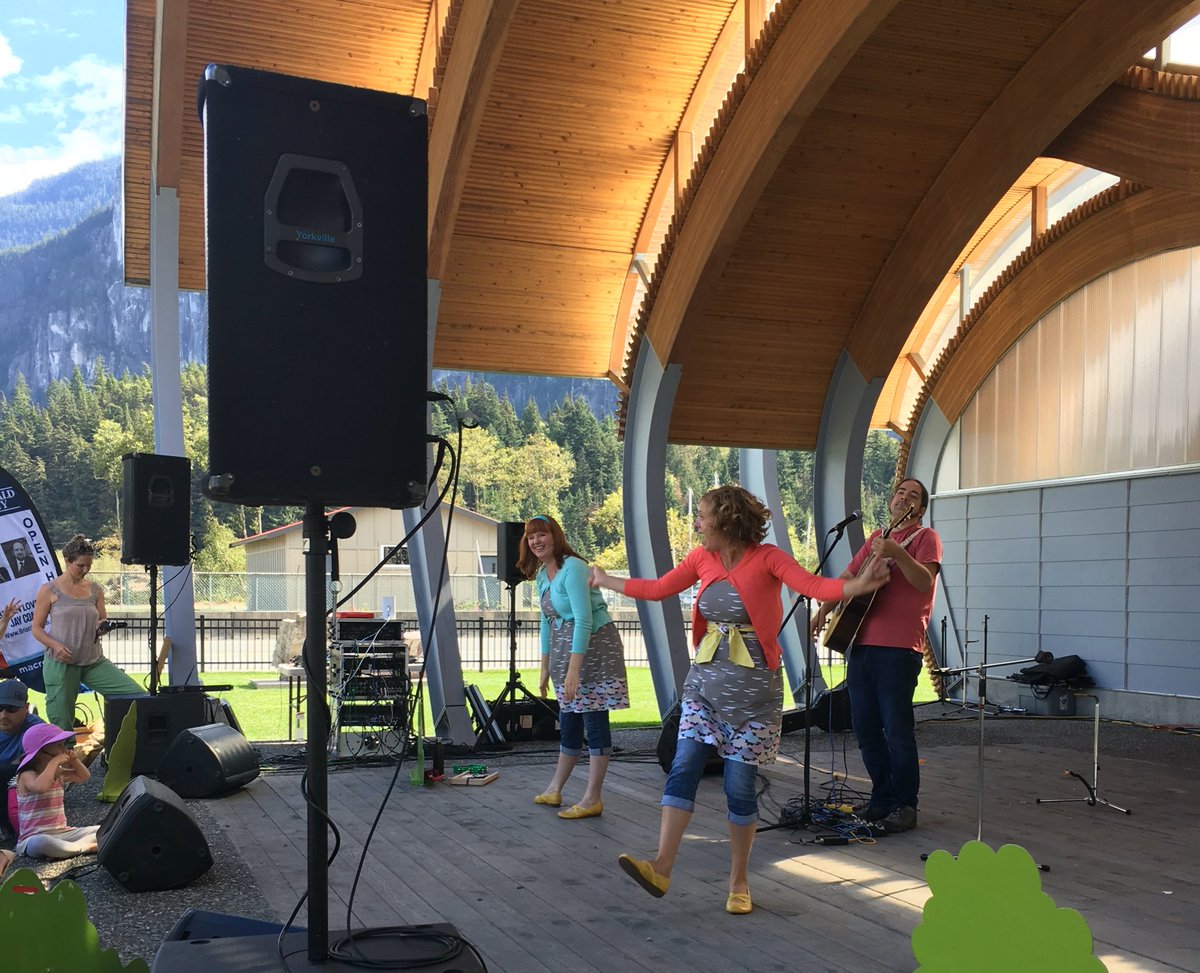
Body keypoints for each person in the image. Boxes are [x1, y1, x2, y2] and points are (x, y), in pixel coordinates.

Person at [590, 485, 888, 914]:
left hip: (754, 698)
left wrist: (859, 584)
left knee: (738, 787)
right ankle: (661, 865)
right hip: (704, 687)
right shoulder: (701, 558)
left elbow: (815, 586)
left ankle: (739, 881)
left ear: (727, 521)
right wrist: (605, 579)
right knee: (684, 764)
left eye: (703, 515)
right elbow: (657, 589)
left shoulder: (768, 558)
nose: (697, 523)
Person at [811, 477, 942, 835]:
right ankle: (882, 797)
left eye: (913, 495)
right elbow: (849, 577)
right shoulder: (875, 540)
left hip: (900, 648)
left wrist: (897, 552)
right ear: (891, 501)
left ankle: (905, 804)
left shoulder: (925, 539)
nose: (904, 497)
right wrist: (824, 608)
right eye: (900, 492)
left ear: (921, 509)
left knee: (897, 730)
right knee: (866, 728)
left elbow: (924, 582)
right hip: (862, 643)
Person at [518, 514, 629, 820]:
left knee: (592, 721)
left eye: (542, 535)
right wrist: (545, 666)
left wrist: (574, 670)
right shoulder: (543, 574)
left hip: (594, 647)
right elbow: (546, 621)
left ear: (556, 536)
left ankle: (592, 798)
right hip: (564, 649)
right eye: (531, 538)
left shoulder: (574, 568)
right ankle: (555, 788)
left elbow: (584, 620)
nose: (536, 542)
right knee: (569, 719)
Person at [32, 535, 141, 732]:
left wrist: (103, 627)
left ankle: (122, 742)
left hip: (93, 661)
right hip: (61, 663)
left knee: (136, 697)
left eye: (89, 566)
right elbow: (36, 629)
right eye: (80, 565)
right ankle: (64, 758)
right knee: (61, 722)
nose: (85, 570)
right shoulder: (48, 590)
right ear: (67, 561)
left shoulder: (95, 590)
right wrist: (55, 646)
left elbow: (101, 619)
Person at [14, 722, 98, 859]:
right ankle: (81, 847)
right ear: (41, 754)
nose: (64, 749)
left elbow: (84, 776)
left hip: (62, 832)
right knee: (42, 843)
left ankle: (69, 847)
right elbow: (41, 788)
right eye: (59, 745)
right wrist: (54, 762)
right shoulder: (26, 775)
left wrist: (74, 760)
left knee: (101, 830)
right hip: (33, 838)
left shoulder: (58, 773)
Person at [1, 677, 44, 839]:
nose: (4, 714)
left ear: (26, 708)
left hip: (25, 792)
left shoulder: (37, 730)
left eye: (11, 708)